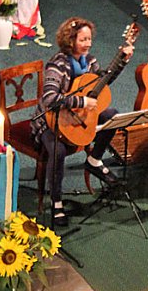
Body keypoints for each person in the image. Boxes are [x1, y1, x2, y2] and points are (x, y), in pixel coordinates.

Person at [31, 17, 133, 228]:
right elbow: (49, 99)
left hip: (78, 117)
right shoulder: (57, 64)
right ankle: (56, 202)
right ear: (70, 41)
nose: (88, 44)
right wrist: (81, 101)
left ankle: (94, 160)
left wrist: (122, 61)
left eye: (89, 39)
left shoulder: (90, 61)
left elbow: (102, 84)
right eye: (83, 40)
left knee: (111, 115)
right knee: (57, 152)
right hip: (51, 122)